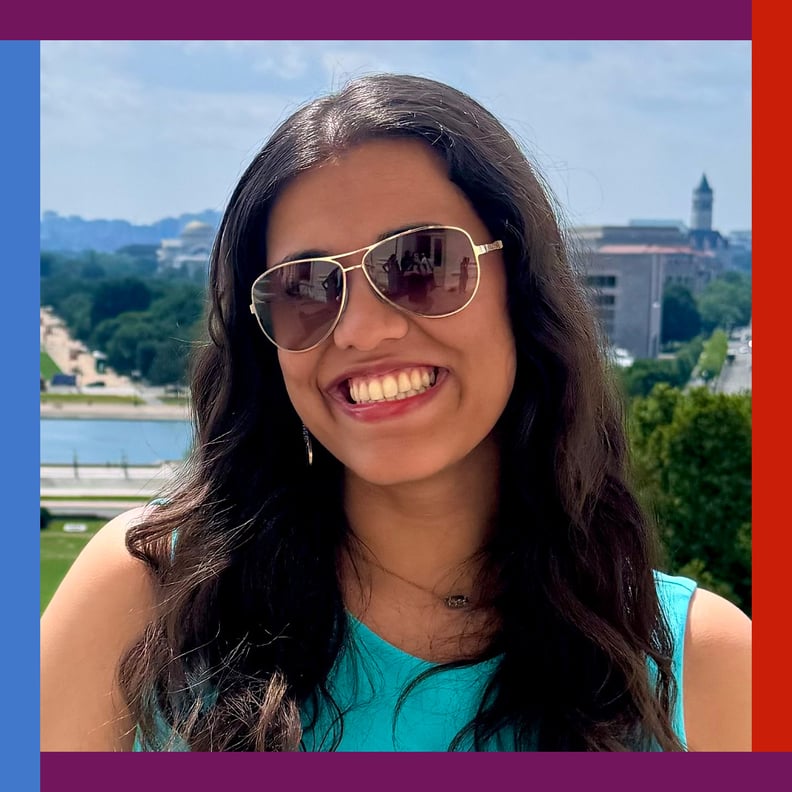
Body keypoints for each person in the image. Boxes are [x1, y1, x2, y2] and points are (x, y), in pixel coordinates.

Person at [40, 73, 751, 752]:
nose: (360, 329)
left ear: (523, 288)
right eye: (306, 288)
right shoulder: (144, 601)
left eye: (421, 263)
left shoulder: (704, 669)